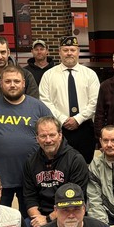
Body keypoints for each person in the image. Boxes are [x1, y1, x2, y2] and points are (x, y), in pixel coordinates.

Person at [0, 65, 52, 211]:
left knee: (31, 220)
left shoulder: (39, 108)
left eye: (16, 81)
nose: (12, 85)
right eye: (7, 81)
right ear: (1, 83)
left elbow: (53, 138)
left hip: (31, 178)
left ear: (23, 83)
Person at [39, 35, 100, 165]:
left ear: (78, 52)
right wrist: (62, 119)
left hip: (84, 127)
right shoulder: (49, 75)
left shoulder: (90, 74)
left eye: (72, 50)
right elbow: (45, 101)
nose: (69, 53)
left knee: (85, 164)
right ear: (59, 52)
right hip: (59, 129)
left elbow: (95, 101)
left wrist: (78, 119)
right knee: (60, 164)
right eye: (65, 50)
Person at [23, 115, 90, 227]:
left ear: (60, 135)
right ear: (37, 138)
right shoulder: (30, 162)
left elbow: (76, 199)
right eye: (43, 136)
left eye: (52, 135)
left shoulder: (75, 160)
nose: (48, 140)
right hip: (40, 215)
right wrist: (37, 219)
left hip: (68, 213)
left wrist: (48, 219)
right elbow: (30, 197)